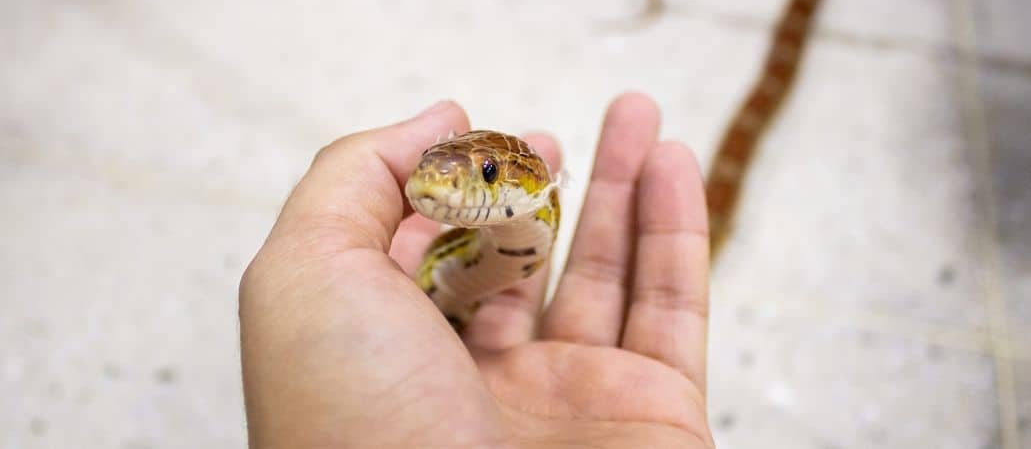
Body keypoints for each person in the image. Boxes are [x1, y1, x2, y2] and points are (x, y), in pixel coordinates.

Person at [238, 92, 714, 448]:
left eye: (487, 173)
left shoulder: (532, 204)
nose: (436, 184)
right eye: (428, 166)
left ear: (533, 183)